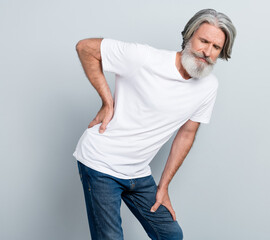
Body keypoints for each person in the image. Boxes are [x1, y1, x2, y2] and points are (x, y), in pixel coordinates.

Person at [73, 8, 236, 240]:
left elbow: (187, 134)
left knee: (170, 235)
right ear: (190, 36)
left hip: (137, 172)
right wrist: (107, 100)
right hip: (101, 164)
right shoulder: (144, 58)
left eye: (216, 47)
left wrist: (163, 186)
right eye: (204, 41)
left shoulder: (208, 87)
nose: (207, 52)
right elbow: (85, 47)